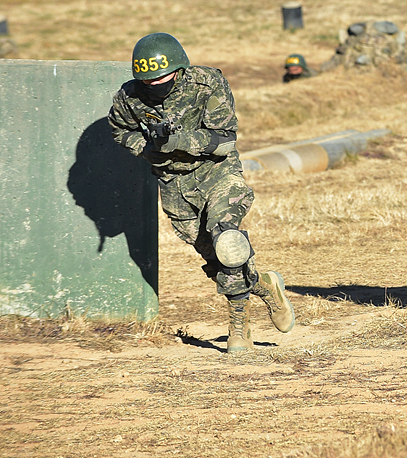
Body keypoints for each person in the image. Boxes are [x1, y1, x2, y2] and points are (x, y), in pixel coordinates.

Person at [108, 33, 295, 354]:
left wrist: (177, 142)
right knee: (214, 257)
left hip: (217, 173)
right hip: (173, 184)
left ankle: (239, 324)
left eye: (162, 78)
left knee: (228, 242)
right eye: (147, 81)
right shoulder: (129, 97)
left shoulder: (207, 84)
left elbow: (223, 141)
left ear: (179, 69)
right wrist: (147, 148)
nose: (155, 85)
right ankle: (265, 286)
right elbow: (119, 129)